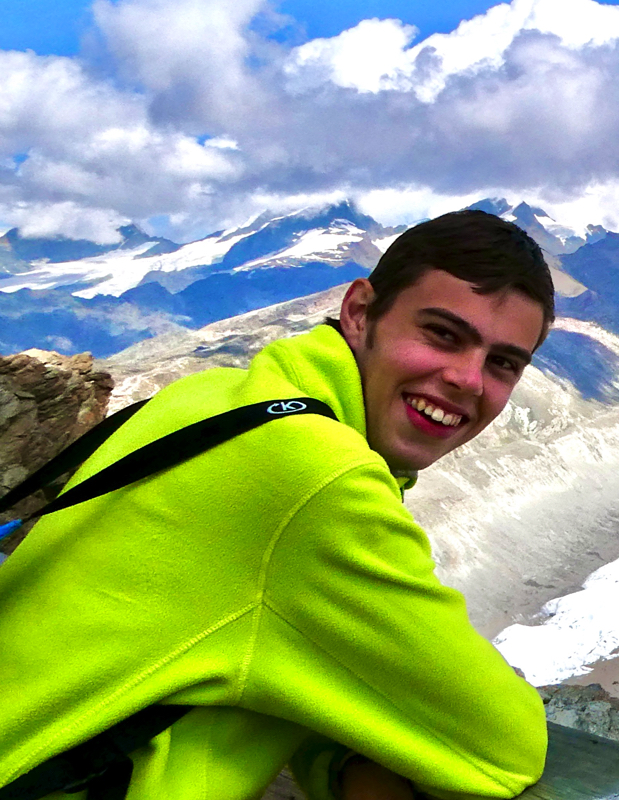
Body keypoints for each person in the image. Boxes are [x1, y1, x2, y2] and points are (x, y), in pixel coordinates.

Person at [0, 210, 554, 800]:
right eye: (443, 334)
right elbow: (505, 746)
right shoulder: (319, 480)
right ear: (361, 311)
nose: (468, 379)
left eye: (502, 363)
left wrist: (336, 756)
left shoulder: (211, 395)